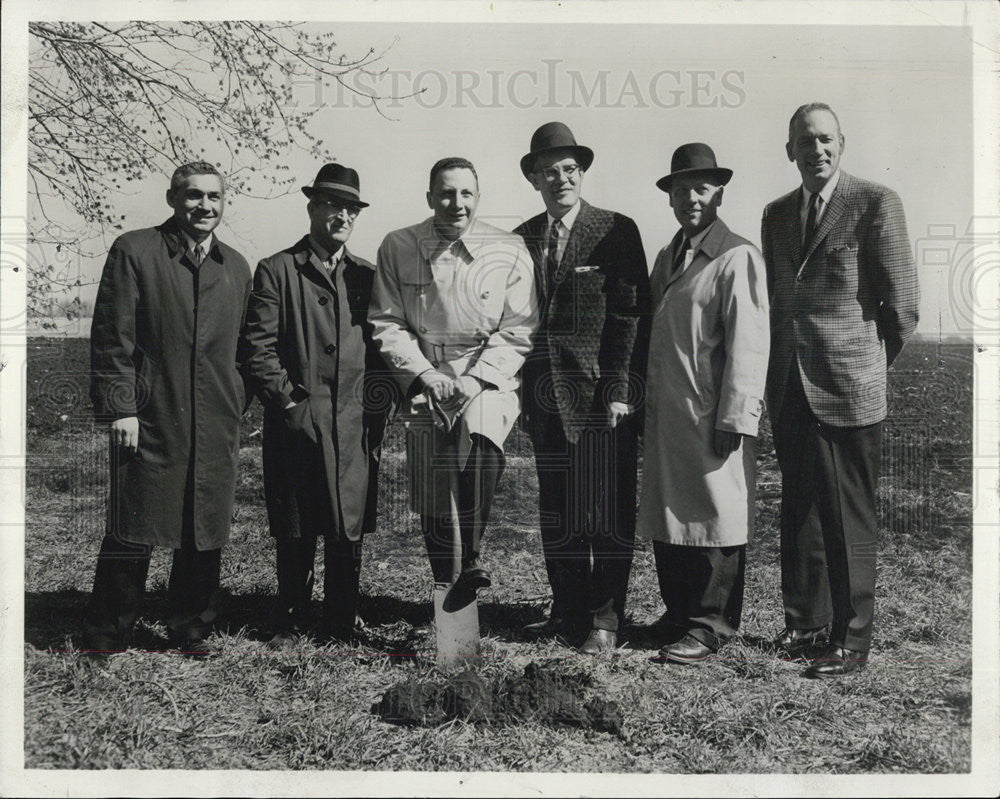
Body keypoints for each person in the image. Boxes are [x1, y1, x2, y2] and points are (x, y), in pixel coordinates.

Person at [762, 103, 919, 677]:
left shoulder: (876, 203)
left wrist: (866, 366)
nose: (816, 150)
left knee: (848, 517)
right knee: (800, 509)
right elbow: (780, 307)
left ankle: (851, 641)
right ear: (790, 151)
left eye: (825, 140)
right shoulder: (776, 214)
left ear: (842, 144)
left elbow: (902, 307)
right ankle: (804, 622)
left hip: (849, 389)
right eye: (805, 141)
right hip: (791, 389)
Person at [85, 161, 251, 655]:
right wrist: (120, 408)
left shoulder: (236, 267)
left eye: (214, 197)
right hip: (151, 414)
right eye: (194, 196)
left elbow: (246, 347)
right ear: (172, 199)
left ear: (224, 203)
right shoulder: (135, 250)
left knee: (204, 524)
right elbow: (112, 336)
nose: (205, 206)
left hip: (215, 418)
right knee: (134, 522)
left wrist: (236, 400)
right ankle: (108, 631)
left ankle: (190, 625)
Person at [369, 157, 536, 598]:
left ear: (478, 198)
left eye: (465, 194)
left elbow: (519, 327)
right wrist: (423, 374)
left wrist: (477, 379)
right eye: (446, 193)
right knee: (432, 488)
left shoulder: (510, 248)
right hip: (425, 375)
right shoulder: (399, 245)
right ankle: (446, 586)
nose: (456, 204)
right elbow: (386, 321)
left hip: (485, 374)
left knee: (481, 438)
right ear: (429, 198)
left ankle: (475, 558)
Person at [242, 163, 394, 646]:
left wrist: (377, 410)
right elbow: (257, 350)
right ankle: (290, 618)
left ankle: (341, 621)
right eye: (332, 205)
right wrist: (290, 406)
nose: (341, 216)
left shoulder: (370, 277)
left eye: (350, 208)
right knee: (297, 520)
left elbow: (385, 351)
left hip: (354, 423)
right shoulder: (278, 270)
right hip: (299, 421)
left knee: (348, 523)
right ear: (312, 208)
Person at [514, 122, 651, 654]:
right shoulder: (522, 237)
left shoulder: (616, 229)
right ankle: (566, 609)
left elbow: (631, 314)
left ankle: (605, 620)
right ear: (534, 179)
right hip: (546, 399)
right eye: (549, 172)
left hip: (601, 400)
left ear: (582, 173)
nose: (560, 180)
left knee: (607, 512)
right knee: (559, 511)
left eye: (569, 170)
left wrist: (620, 389)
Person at [637, 143, 770, 664]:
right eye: (681, 188)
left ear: (719, 193)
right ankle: (678, 615)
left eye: (702, 187)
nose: (691, 197)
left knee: (717, 514)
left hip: (712, 412)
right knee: (672, 514)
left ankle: (713, 623)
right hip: (669, 412)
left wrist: (737, 416)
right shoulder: (669, 256)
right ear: (669, 196)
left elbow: (749, 344)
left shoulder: (737, 256)